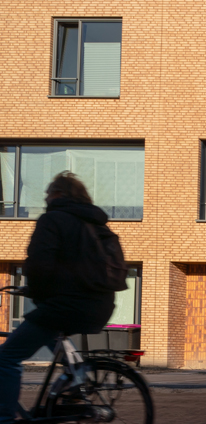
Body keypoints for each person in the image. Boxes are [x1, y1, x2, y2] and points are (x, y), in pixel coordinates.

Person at [0, 173, 116, 424]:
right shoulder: (97, 225)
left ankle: (5, 418)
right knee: (51, 333)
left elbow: (40, 264)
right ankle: (77, 375)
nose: (45, 198)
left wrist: (36, 291)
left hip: (67, 305)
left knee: (6, 358)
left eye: (49, 193)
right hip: (100, 304)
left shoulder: (53, 219)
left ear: (60, 194)